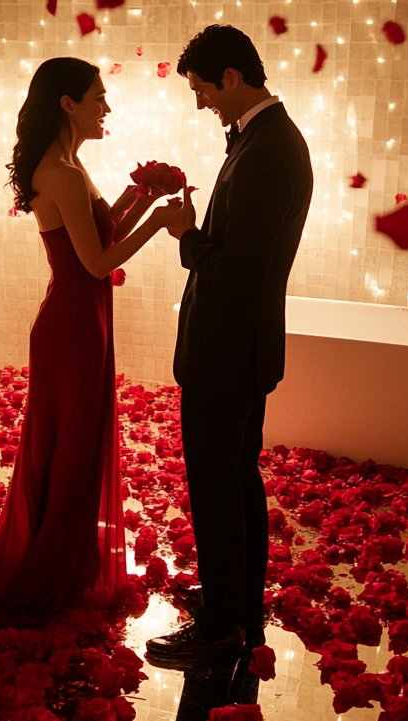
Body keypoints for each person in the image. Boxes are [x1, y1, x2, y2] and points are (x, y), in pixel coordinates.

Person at [0, 57, 179, 623]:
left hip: (77, 320)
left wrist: (141, 193)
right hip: (73, 325)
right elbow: (97, 263)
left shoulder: (69, 165)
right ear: (68, 104)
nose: (106, 108)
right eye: (97, 98)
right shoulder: (63, 173)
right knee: (71, 445)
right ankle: (53, 564)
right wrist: (162, 224)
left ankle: (61, 557)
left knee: (74, 442)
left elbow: (96, 229)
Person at [147, 26, 313, 668]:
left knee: (217, 485)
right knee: (238, 479)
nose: (200, 103)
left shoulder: (269, 150)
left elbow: (237, 272)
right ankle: (237, 603)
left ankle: (220, 628)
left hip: (226, 349)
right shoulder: (270, 140)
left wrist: (187, 234)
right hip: (241, 346)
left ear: (234, 79)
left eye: (203, 89)